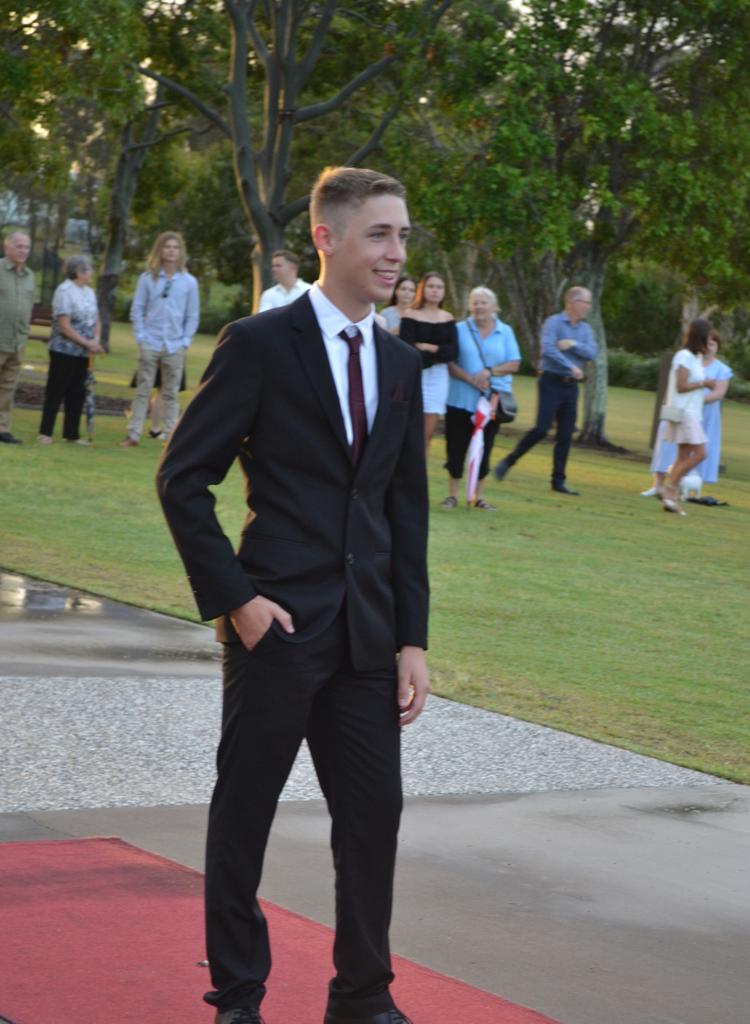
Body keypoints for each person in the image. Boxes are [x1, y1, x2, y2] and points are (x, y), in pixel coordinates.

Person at [157, 166, 429, 1024]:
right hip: (275, 626)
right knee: (245, 815)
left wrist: (412, 640)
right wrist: (237, 601)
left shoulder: (396, 360)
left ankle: (363, 998)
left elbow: (404, 516)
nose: (397, 252)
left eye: (403, 236)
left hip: (366, 640)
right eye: (381, 234)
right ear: (327, 238)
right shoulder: (261, 343)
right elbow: (182, 479)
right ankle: (238, 996)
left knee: (372, 821)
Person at [494, 286, 597, 495]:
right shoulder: (554, 323)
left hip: (571, 387)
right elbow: (548, 349)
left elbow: (591, 352)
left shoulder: (585, 330)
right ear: (573, 302)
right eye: (586, 302)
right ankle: (509, 461)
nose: (588, 307)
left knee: (566, 434)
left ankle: (558, 481)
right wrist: (570, 365)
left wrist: (572, 343)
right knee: (541, 429)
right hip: (550, 381)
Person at [441, 286, 520, 510]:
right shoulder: (459, 329)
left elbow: (514, 363)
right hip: (460, 399)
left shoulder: (505, 332)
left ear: (494, 306)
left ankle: (479, 497)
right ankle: (452, 495)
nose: (478, 307)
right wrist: (469, 378)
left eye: (483, 302)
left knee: (485, 447)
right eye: (474, 302)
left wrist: (489, 372)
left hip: (491, 402)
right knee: (455, 447)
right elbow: (449, 362)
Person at [121, 231, 199, 446]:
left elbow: (192, 315)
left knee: (171, 393)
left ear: (180, 251)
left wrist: (185, 341)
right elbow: (137, 308)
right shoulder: (148, 278)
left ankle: (171, 436)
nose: (171, 251)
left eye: (175, 247)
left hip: (175, 344)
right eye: (167, 247)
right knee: (143, 389)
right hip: (151, 341)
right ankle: (134, 433)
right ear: (160, 250)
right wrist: (141, 336)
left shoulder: (189, 282)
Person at [643, 330, 732, 497]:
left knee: (696, 450)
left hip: (704, 415)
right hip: (681, 410)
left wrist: (699, 400)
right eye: (706, 343)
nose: (709, 347)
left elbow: (719, 393)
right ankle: (658, 485)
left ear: (718, 347)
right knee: (666, 444)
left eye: (713, 344)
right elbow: (678, 385)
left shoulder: (722, 369)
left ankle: (680, 486)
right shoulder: (689, 360)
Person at [37, 256, 104, 445]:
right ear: (79, 272)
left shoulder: (90, 292)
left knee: (77, 392)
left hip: (83, 353)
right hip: (64, 351)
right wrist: (86, 342)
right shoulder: (64, 291)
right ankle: (45, 431)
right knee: (57, 389)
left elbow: (96, 319)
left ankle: (71, 434)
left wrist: (95, 340)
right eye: (89, 269)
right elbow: (64, 326)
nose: (91, 273)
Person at [655, 318, 716, 515]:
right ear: (701, 336)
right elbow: (681, 387)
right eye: (708, 336)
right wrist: (704, 384)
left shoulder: (696, 357)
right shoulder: (684, 356)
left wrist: (703, 383)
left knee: (682, 456)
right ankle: (670, 486)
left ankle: (670, 500)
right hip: (684, 413)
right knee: (701, 453)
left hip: (692, 412)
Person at [399, 272, 458, 450]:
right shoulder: (410, 315)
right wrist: (438, 353)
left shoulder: (448, 318)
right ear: (423, 289)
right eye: (431, 286)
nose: (435, 291)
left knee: (427, 435)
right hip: (415, 375)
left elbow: (453, 352)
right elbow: (407, 350)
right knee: (407, 430)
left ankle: (419, 476)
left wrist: (428, 348)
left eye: (439, 287)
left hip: (438, 379)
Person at [0, 231, 36, 444]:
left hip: (18, 341)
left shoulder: (30, 276)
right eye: (19, 246)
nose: (23, 250)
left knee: (8, 385)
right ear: (7, 248)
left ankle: (2, 428)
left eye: (26, 247)